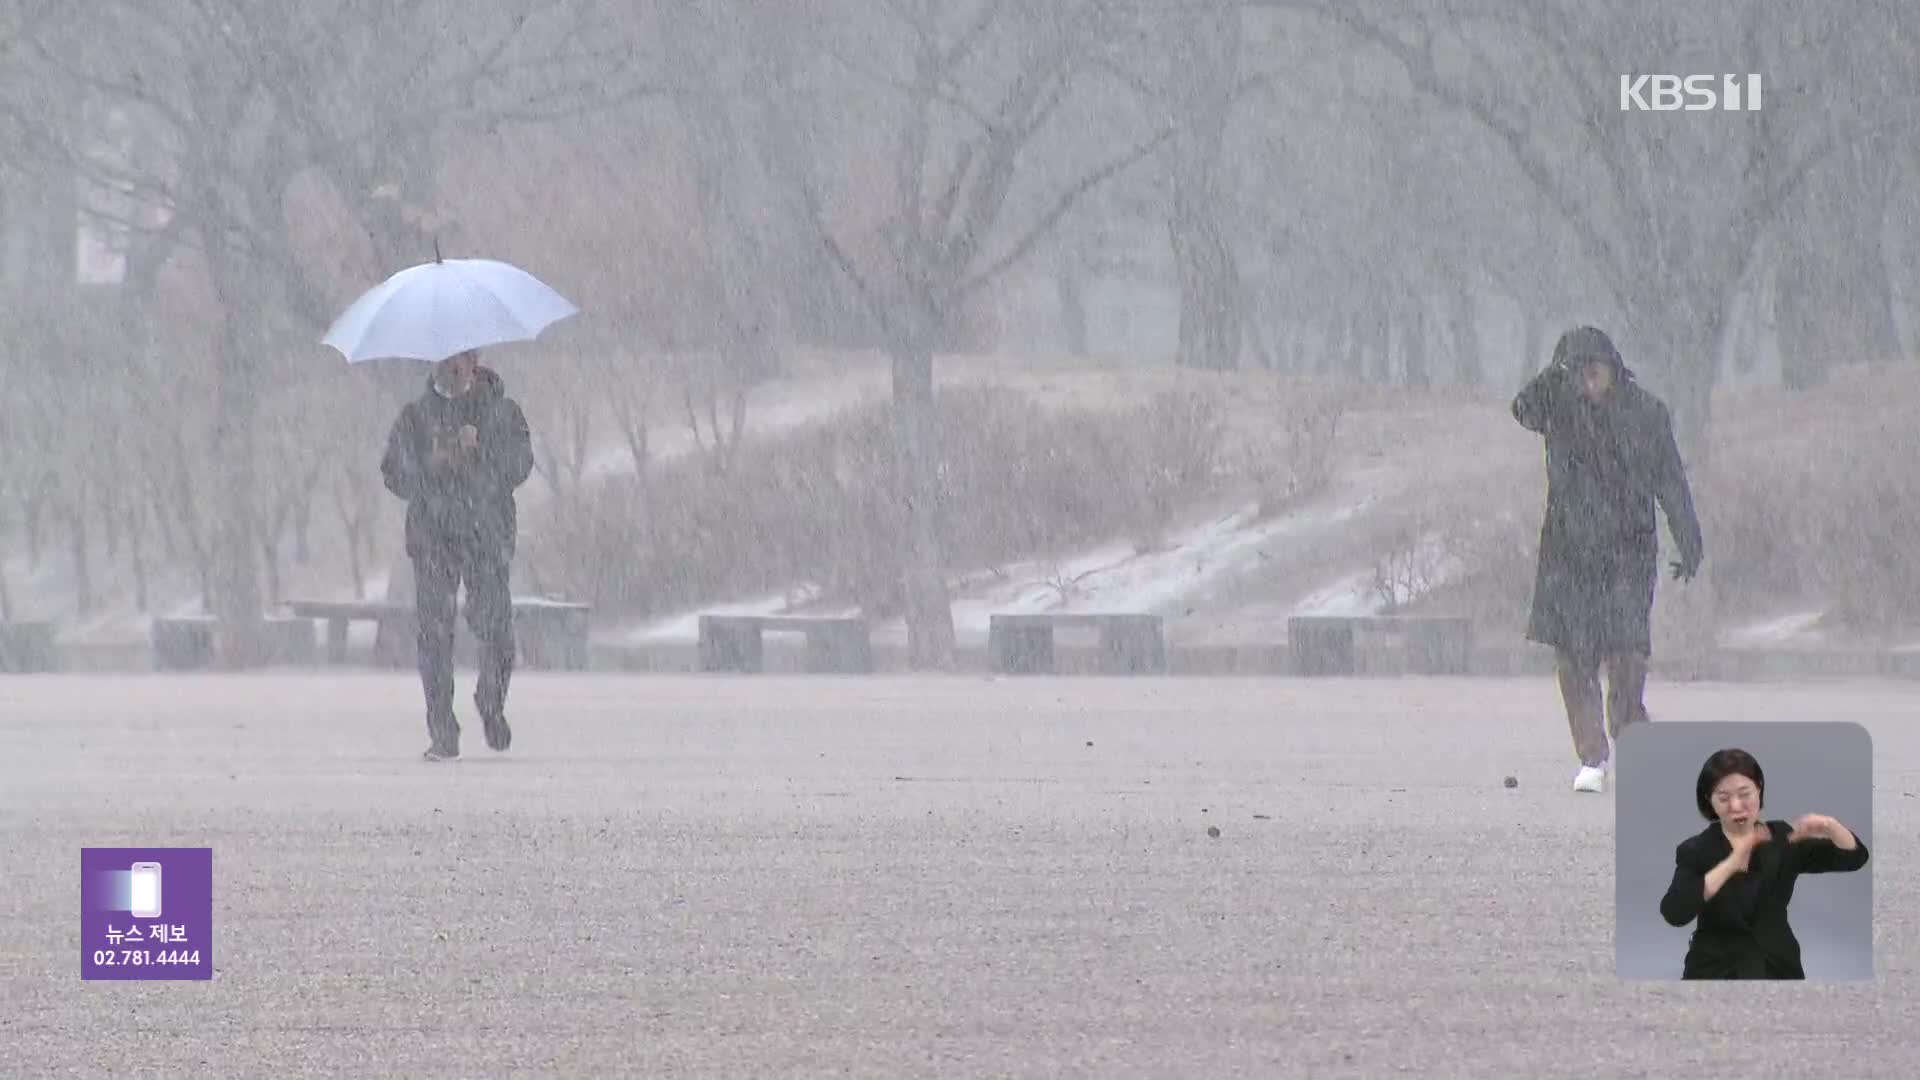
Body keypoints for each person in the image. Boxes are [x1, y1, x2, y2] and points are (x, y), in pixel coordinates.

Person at [1511, 326, 1704, 794]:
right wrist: (1555, 372)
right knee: (1574, 659)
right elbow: (1521, 408)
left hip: (1627, 551)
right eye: (1578, 374)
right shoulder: (1557, 407)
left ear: (1615, 369)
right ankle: (1592, 755)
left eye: (1594, 372)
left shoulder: (1646, 414)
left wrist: (1687, 535)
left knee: (1627, 651)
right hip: (1568, 552)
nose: (1588, 384)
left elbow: (1671, 479)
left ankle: (1631, 732)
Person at [380, 349, 535, 761]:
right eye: (444, 357)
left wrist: (480, 450)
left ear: (475, 361)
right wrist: (430, 463)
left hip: (486, 536)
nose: (453, 365)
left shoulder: (502, 412)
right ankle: (442, 729)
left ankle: (491, 701)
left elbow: (520, 465)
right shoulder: (414, 417)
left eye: (462, 357)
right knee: (434, 636)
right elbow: (393, 472)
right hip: (433, 539)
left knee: (498, 631)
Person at [1657, 748, 1869, 979]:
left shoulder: (1781, 838)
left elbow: (1854, 858)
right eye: (1724, 798)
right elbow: (1674, 912)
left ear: (1759, 788)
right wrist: (1730, 864)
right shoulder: (1695, 849)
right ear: (1710, 801)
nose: (1736, 806)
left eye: (1744, 794)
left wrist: (1830, 825)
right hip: (1714, 969)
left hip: (1777, 965)